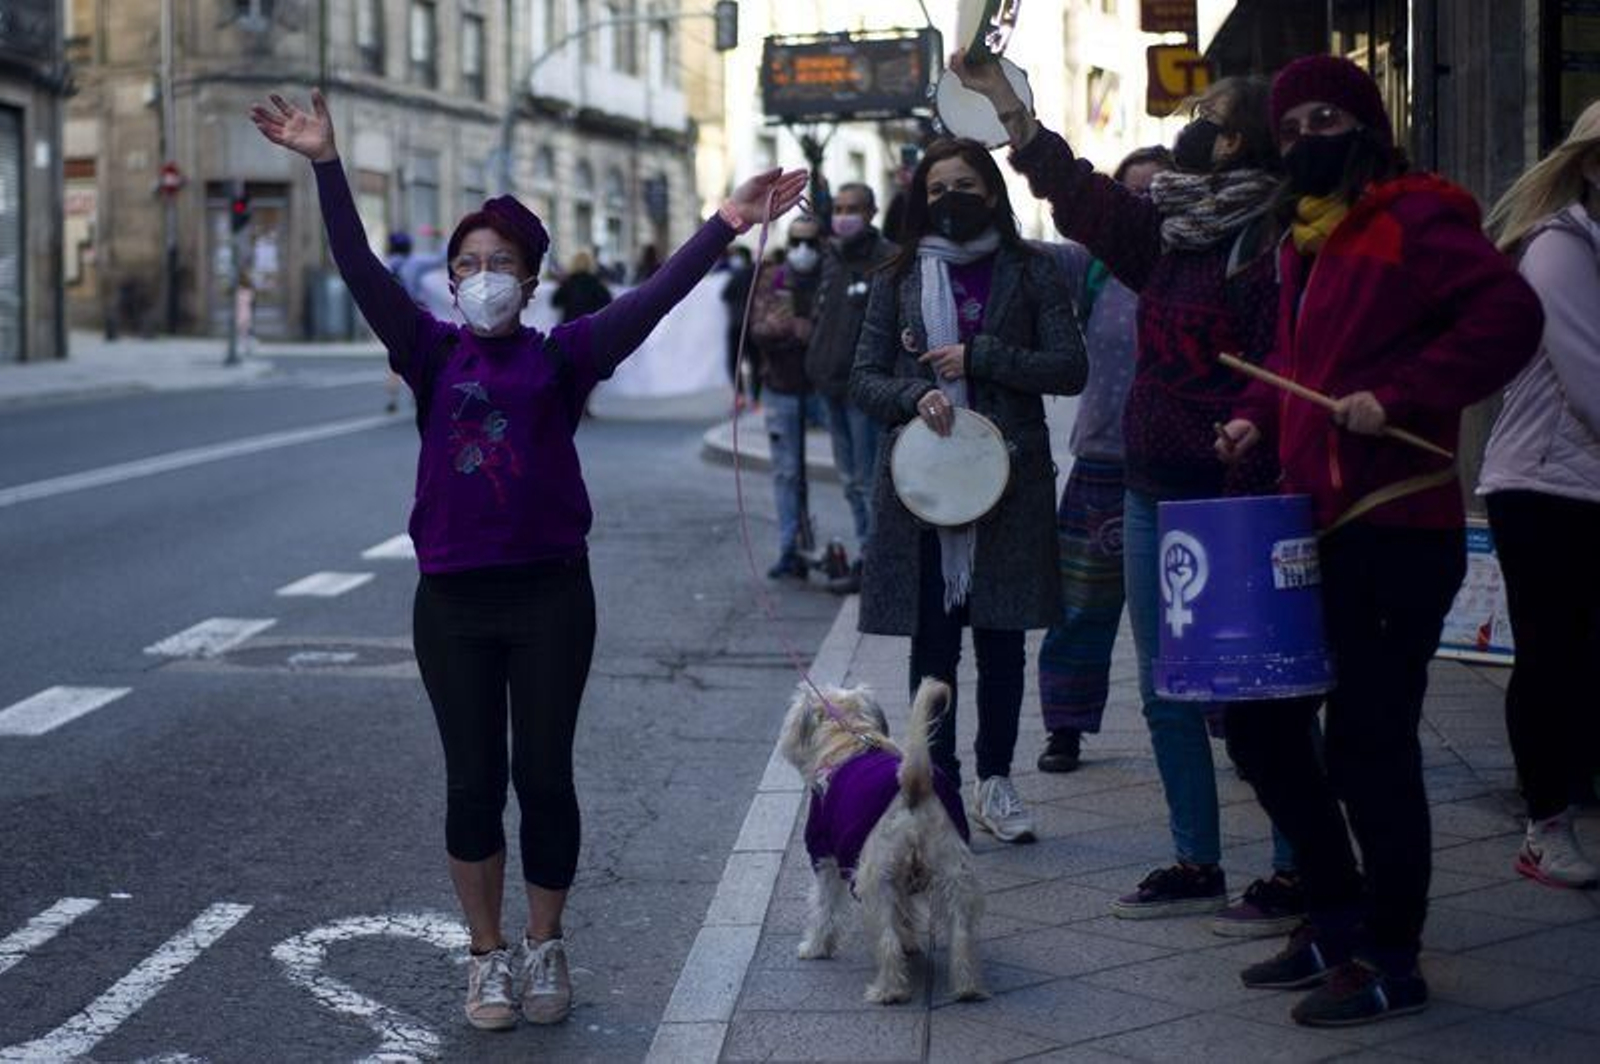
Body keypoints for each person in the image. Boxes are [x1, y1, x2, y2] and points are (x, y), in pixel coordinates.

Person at [249, 87, 806, 1031]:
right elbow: (358, 266)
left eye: (499, 263)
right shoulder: (426, 350)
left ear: (532, 279)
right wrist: (327, 165)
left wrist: (726, 221)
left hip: (551, 600)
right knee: (472, 785)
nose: (481, 277)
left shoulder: (566, 356)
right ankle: (485, 955)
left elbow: (654, 300)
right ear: (449, 282)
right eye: (466, 264)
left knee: (544, 779)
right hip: (453, 606)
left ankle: (545, 943)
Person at [1214, 55, 1543, 1026]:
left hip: (1396, 524)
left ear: (1365, 127)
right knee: (1261, 728)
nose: (1306, 138)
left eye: (1326, 118)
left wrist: (1398, 397)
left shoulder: (1417, 215)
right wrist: (1257, 415)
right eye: (1291, 127)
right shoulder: (1304, 238)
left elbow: (1510, 315)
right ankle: (1334, 913)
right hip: (1313, 523)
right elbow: (1297, 358)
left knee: (1370, 746)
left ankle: (1391, 956)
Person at [952, 51, 1304, 931]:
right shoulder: (1170, 235)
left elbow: (1288, 362)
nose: (1193, 132)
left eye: (1210, 122)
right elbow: (1079, 194)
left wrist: (1254, 420)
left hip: (1239, 498)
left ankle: (1296, 867)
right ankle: (1196, 862)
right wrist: (1007, 108)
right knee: (1164, 688)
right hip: (1150, 489)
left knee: (1262, 691)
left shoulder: (1272, 242)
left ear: (1243, 144)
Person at [850, 138, 1086, 844]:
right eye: (937, 188)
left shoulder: (1031, 269)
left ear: (990, 191)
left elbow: (1068, 367)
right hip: (923, 491)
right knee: (933, 648)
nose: (950, 199)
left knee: (1003, 644)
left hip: (1008, 484)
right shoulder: (896, 276)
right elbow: (863, 377)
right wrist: (913, 392)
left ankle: (996, 781)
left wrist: (981, 357)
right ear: (920, 199)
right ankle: (940, 785)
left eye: (964, 185)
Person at [1479, 98, 1600, 890]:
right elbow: (1591, 379)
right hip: (1542, 487)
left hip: (1583, 485)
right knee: (1553, 656)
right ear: (1590, 166)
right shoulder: (1561, 247)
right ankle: (1545, 826)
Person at [1035, 145, 1171, 776]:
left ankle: (1228, 725)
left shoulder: (1205, 263)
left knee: (1195, 604)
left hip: (1187, 466)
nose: (1146, 204)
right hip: (1103, 462)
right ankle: (1065, 726)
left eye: (1159, 192)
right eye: (1133, 193)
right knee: (1082, 605)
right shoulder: (1091, 265)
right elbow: (1019, 254)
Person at [805, 182, 898, 593]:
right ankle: (867, 554)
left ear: (871, 212)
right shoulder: (832, 257)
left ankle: (877, 563)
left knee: (868, 481)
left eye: (852, 209)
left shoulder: (888, 258)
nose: (844, 216)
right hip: (829, 386)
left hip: (864, 392)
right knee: (848, 480)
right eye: (839, 208)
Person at [751, 217, 825, 579]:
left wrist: (811, 331)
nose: (803, 249)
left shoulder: (832, 275)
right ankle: (789, 549)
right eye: (796, 241)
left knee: (857, 475)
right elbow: (759, 329)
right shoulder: (774, 279)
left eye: (810, 242)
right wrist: (793, 329)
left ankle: (865, 555)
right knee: (787, 473)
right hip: (781, 386)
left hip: (826, 389)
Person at [719, 244, 759, 405]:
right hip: (753, 323)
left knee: (734, 361)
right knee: (755, 361)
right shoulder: (757, 273)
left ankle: (740, 395)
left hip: (736, 322)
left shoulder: (736, 275)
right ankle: (756, 398)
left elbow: (725, 295)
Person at [551, 250, 613, 324]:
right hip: (589, 326)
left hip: (570, 325)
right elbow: (609, 304)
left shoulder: (568, 283)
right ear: (591, 264)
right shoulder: (597, 284)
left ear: (573, 264)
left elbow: (555, 302)